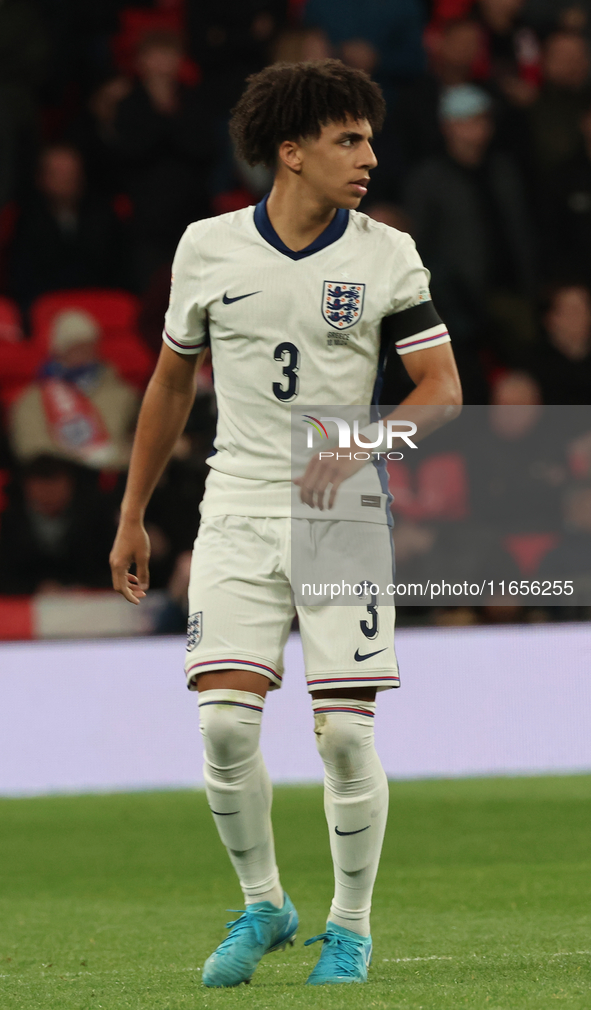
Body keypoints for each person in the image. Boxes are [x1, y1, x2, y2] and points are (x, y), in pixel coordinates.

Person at [110, 59, 461, 988]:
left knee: (343, 736)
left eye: (371, 138)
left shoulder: (386, 254)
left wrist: (359, 443)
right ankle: (265, 904)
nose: (369, 158)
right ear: (290, 150)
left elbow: (442, 391)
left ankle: (350, 926)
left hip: (341, 512)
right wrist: (133, 512)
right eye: (349, 139)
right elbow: (170, 383)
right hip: (233, 505)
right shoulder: (207, 247)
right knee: (225, 727)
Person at [9, 308, 140, 469]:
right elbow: (33, 450)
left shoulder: (123, 394)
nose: (84, 355)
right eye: (75, 349)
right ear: (59, 353)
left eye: (89, 347)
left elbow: (137, 442)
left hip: (115, 478)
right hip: (62, 482)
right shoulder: (32, 400)